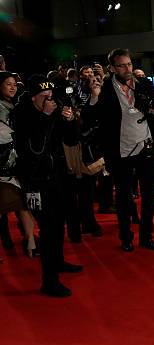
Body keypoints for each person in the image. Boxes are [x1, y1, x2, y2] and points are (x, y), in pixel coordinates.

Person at [83, 48, 154, 252]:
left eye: (129, 64)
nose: (127, 68)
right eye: (122, 65)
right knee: (124, 197)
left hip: (145, 146)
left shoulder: (143, 83)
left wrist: (149, 105)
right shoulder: (105, 88)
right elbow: (90, 116)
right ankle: (126, 237)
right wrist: (94, 96)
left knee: (149, 196)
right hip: (119, 150)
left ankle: (146, 236)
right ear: (112, 68)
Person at [14, 75, 83, 297]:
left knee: (59, 222)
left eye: (51, 97)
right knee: (48, 227)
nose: (49, 102)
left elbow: (72, 140)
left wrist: (70, 120)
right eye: (44, 98)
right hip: (35, 179)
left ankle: (58, 262)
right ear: (33, 97)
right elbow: (34, 147)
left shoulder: (54, 112)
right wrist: (45, 116)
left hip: (58, 176)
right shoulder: (22, 115)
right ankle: (49, 280)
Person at [0, 71, 38, 258]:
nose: (13, 86)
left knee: (25, 205)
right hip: (3, 165)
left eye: (14, 83)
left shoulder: (19, 105)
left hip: (22, 163)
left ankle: (31, 242)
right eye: (8, 83)